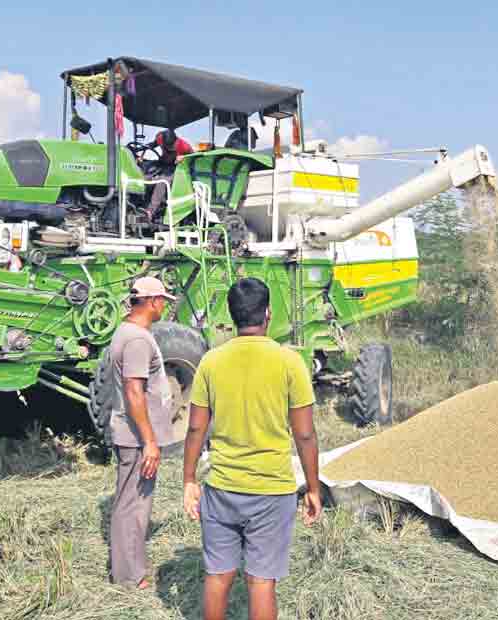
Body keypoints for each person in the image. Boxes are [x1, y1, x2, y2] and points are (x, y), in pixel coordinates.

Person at [181, 277, 322, 620]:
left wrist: (188, 480)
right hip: (272, 491)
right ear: (268, 314)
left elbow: (197, 426)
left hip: (222, 488)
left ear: (231, 317)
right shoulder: (289, 362)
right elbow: (304, 435)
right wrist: (314, 488)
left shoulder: (212, 362)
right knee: (261, 582)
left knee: (218, 575)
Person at [107, 276, 178, 589]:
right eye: (162, 300)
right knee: (133, 506)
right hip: (137, 438)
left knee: (134, 503)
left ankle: (131, 567)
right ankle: (128, 577)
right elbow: (134, 393)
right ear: (150, 302)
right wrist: (150, 441)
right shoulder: (137, 340)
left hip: (136, 435)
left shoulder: (130, 333)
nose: (164, 305)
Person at [145, 128, 194, 220]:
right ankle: (140, 203)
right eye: (168, 146)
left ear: (175, 141)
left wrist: (184, 158)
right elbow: (153, 144)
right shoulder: (160, 138)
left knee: (162, 182)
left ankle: (150, 211)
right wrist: (143, 151)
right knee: (144, 176)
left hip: (176, 168)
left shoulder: (184, 146)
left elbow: (193, 160)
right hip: (162, 163)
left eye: (172, 146)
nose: (171, 148)